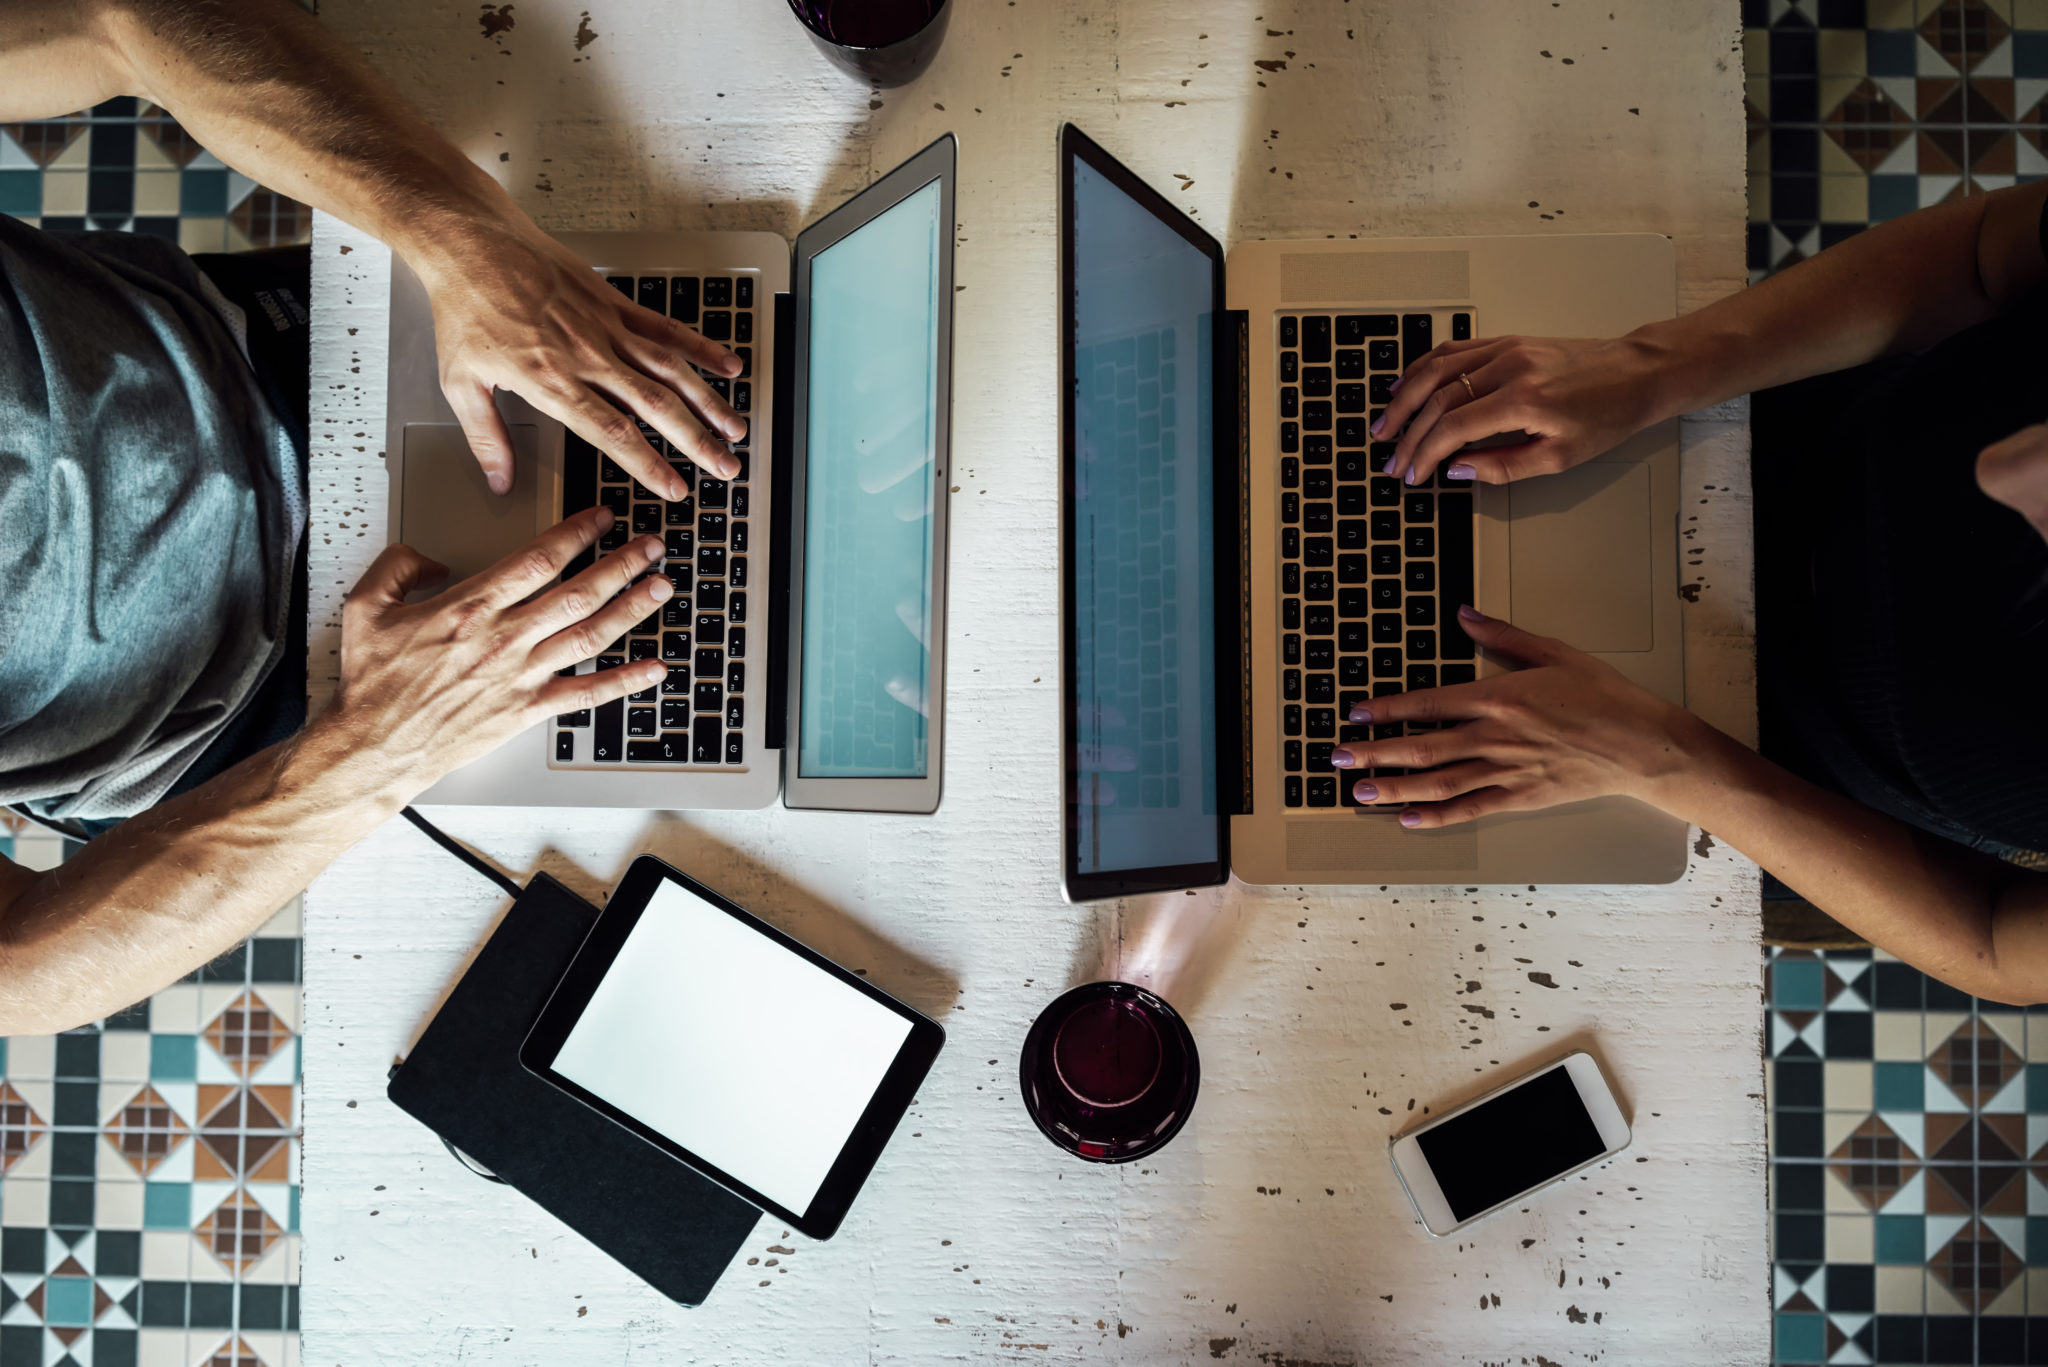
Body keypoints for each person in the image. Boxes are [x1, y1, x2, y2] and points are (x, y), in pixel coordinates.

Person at [0, 0, 747, 1033]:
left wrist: (457, 233)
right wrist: (377, 745)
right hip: (266, 742)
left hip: (286, 354)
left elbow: (115, 21)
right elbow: (13, 974)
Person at [1330, 181, 2048, 1004]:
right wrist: (1649, 368)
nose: (2004, 477)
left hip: (1775, 776)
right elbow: (1985, 256)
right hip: (1762, 417)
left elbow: (1994, 940)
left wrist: (1659, 758)